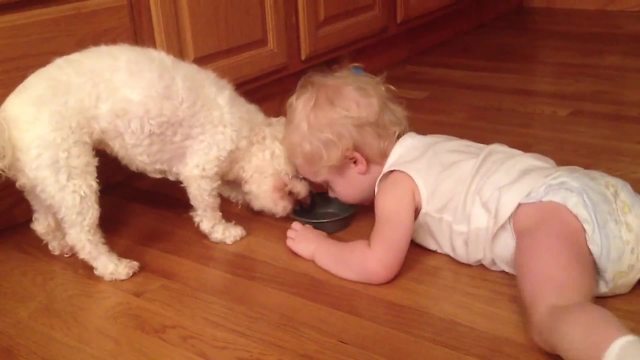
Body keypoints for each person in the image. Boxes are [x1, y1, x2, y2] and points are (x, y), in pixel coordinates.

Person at [282, 65, 640, 360]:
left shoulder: (395, 185)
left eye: (327, 184)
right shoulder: (427, 146)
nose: (331, 195)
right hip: (603, 195)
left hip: (549, 212)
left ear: (355, 161)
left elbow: (378, 264)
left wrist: (319, 248)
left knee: (555, 314)